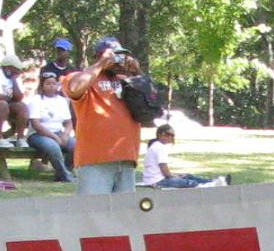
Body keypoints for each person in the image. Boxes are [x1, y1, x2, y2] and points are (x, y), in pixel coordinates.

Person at [65, 37, 144, 195]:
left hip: (126, 157)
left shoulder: (128, 81)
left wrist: (137, 72)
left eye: (120, 56)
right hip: (95, 159)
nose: (117, 61)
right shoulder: (81, 77)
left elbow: (151, 102)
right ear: (99, 56)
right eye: (113, 56)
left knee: (125, 214)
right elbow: (74, 88)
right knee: (93, 214)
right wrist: (101, 64)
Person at [25, 70, 77, 183]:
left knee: (75, 145)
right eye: (48, 83)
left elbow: (68, 122)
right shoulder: (36, 100)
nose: (51, 86)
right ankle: (66, 176)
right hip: (38, 135)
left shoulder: (62, 101)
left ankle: (65, 172)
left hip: (58, 132)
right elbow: (36, 124)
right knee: (53, 147)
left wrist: (65, 135)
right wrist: (54, 137)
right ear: (42, 86)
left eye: (54, 83)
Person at [139, 123, 214, 188]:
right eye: (167, 134)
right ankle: (212, 184)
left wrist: (176, 175)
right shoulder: (160, 147)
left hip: (156, 179)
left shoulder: (156, 145)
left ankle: (211, 182)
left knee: (187, 176)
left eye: (172, 135)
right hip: (157, 181)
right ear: (159, 134)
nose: (169, 137)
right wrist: (174, 176)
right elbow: (164, 170)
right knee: (191, 183)